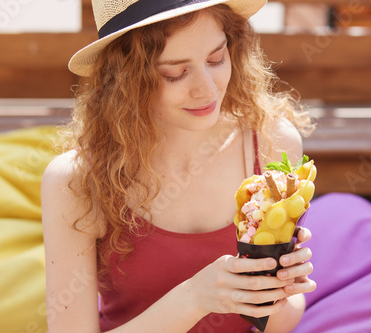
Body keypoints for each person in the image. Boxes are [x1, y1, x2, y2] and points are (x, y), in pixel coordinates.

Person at [42, 1, 317, 332]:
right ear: (126, 77)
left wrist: (281, 290)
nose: (206, 88)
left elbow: (275, 323)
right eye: (174, 72)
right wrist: (195, 299)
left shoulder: (271, 142)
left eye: (216, 58)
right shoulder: (75, 181)